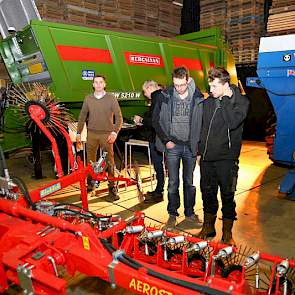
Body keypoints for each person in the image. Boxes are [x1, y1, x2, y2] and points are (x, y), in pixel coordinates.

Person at [197, 67, 249, 245]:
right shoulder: (208, 102)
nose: (210, 90)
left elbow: (232, 123)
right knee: (207, 193)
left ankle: (227, 233)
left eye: (214, 86)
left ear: (225, 85)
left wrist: (226, 99)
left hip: (227, 158)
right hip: (206, 158)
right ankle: (208, 227)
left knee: (227, 195)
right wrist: (199, 151)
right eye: (210, 86)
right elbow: (202, 128)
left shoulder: (240, 102)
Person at [153, 66, 204, 230]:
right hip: (172, 146)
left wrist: (198, 149)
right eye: (176, 85)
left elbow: (202, 124)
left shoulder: (198, 97)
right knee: (173, 182)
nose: (179, 89)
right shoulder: (165, 96)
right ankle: (172, 214)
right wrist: (166, 140)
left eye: (182, 85)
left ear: (188, 80)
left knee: (189, 182)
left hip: (190, 147)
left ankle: (189, 212)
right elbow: (156, 120)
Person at [76, 75, 123, 202]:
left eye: (100, 82)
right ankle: (91, 185)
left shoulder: (111, 98)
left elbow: (119, 117)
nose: (98, 84)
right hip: (91, 134)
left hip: (106, 135)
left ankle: (112, 187)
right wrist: (78, 132)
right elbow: (82, 116)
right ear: (93, 85)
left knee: (109, 161)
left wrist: (114, 132)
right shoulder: (88, 98)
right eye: (95, 82)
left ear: (104, 84)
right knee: (91, 162)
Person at [133, 80, 165, 203]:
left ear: (150, 88)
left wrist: (141, 119)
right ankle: (159, 190)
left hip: (157, 139)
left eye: (145, 91)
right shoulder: (162, 97)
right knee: (159, 165)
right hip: (159, 138)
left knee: (158, 165)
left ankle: (159, 192)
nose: (145, 94)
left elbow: (154, 121)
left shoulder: (157, 98)